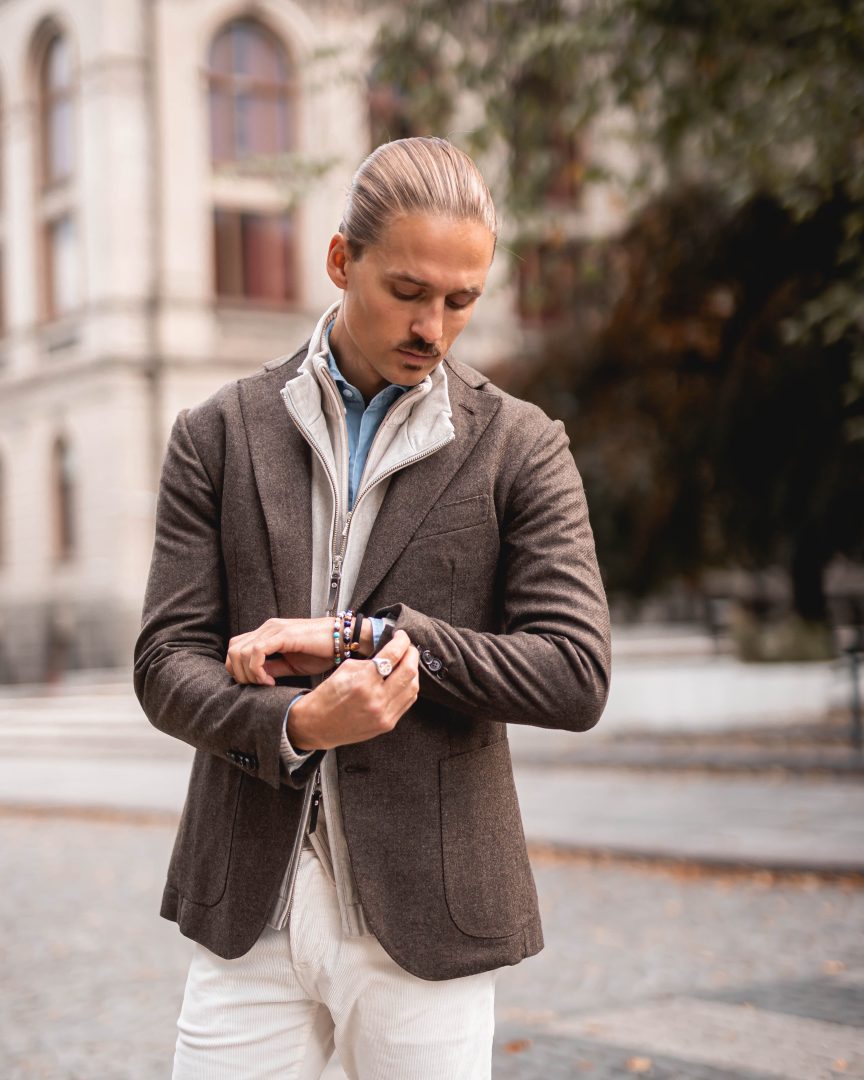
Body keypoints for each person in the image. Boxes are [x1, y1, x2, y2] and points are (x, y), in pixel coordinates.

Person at [134, 136, 610, 1080]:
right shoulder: (217, 435)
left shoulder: (523, 447)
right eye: (408, 290)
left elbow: (575, 671)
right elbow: (164, 664)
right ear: (342, 260)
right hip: (250, 908)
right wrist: (297, 723)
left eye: (461, 301)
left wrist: (379, 638)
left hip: (431, 914)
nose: (433, 326)